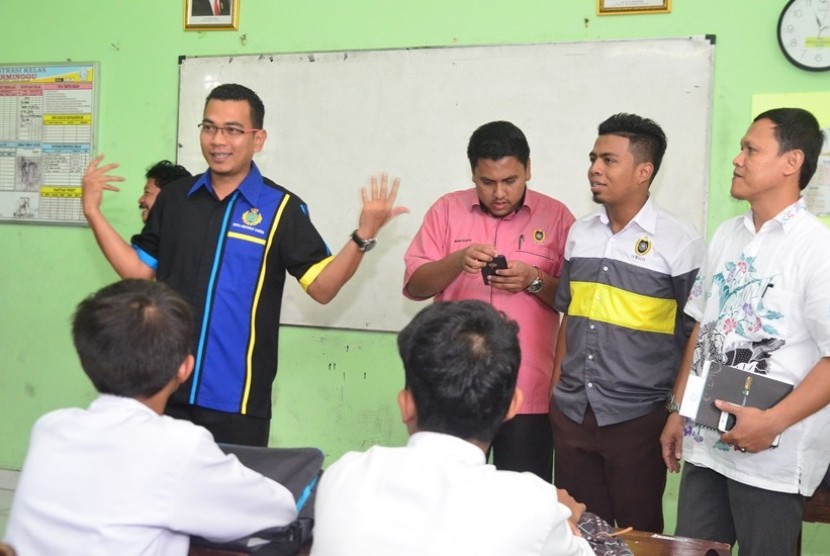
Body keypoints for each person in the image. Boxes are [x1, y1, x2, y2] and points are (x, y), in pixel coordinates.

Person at [81, 83, 406, 446]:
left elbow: (323, 287)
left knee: (229, 501)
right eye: (209, 127)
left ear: (258, 139)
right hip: (163, 387)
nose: (218, 140)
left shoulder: (281, 208)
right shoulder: (175, 199)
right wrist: (92, 212)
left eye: (233, 130)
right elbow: (139, 271)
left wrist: (362, 236)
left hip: (238, 397)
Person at [3, 279, 298, 555]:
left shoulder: (51, 428)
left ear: (86, 359)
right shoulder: (180, 447)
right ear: (185, 368)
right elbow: (278, 511)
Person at [660, 107, 830, 555]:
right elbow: (701, 327)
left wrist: (770, 422)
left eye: (751, 149)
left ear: (791, 163)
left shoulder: (817, 249)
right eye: (740, 148)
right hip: (705, 447)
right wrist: (678, 409)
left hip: (770, 458)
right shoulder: (726, 234)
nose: (737, 159)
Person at [311, 300, 594, 556]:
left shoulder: (341, 476)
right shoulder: (532, 505)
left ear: (406, 405)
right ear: (512, 406)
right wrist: (565, 517)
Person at [550, 113, 705, 532]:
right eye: (593, 158)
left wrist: (676, 411)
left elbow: (696, 333)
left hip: (638, 418)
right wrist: (555, 392)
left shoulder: (680, 240)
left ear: (643, 171)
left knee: (637, 536)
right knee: (578, 532)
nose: (595, 169)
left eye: (608, 160)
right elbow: (569, 314)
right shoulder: (581, 233)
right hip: (573, 414)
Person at [403, 120, 573, 480]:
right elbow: (415, 285)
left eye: (510, 181)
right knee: (446, 492)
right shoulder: (446, 211)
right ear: (473, 175)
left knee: (522, 499)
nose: (499, 193)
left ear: (528, 169)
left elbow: (575, 300)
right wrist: (455, 262)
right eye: (487, 182)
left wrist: (534, 280)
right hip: (453, 385)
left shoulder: (557, 218)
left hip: (527, 390)